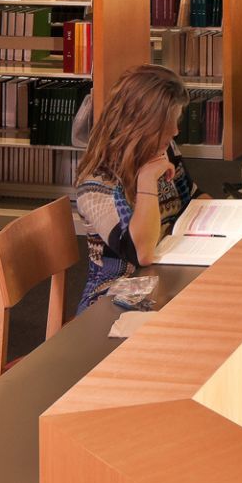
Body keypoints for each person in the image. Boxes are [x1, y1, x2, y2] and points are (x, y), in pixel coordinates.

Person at [72, 65, 197, 313]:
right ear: (141, 124)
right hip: (113, 298)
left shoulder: (163, 147)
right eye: (168, 122)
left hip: (165, 276)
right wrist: (148, 180)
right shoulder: (96, 184)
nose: (175, 131)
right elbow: (142, 253)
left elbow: (191, 196)